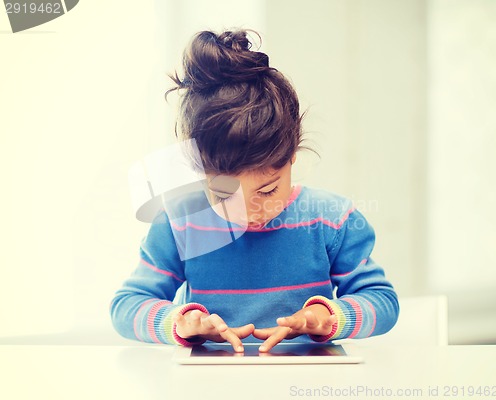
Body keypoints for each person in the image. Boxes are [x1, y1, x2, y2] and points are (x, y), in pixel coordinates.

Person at [110, 29, 399, 353]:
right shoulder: (179, 221)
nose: (246, 213)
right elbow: (126, 306)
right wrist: (181, 322)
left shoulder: (330, 220)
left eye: (266, 191)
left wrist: (329, 317)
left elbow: (382, 302)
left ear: (292, 156)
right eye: (222, 194)